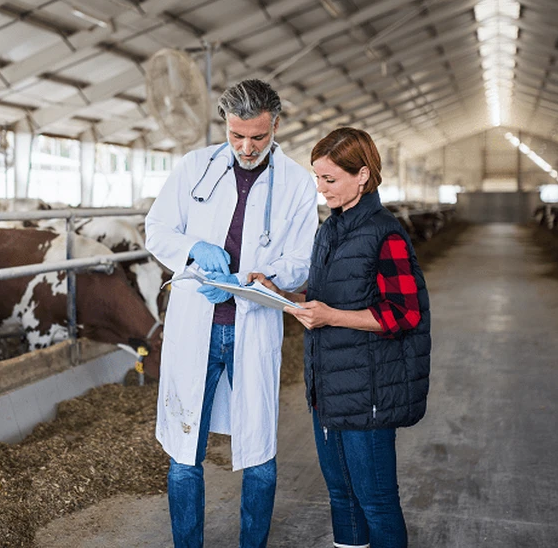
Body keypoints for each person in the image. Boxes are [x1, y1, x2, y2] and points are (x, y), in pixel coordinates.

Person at [145, 79, 318, 548]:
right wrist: (193, 249)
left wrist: (265, 277)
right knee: (185, 452)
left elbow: (303, 260)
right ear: (226, 124)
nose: (246, 147)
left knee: (259, 453)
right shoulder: (193, 167)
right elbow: (157, 230)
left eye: (258, 137)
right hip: (195, 326)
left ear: (276, 126)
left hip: (253, 325)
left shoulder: (298, 184)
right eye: (236, 135)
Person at [251, 127, 431, 548]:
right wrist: (281, 296)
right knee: (342, 498)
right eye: (317, 178)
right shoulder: (330, 230)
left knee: (377, 500)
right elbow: (324, 298)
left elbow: (405, 314)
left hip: (367, 389)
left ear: (363, 175)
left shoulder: (386, 234)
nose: (320, 188)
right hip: (328, 386)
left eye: (329, 179)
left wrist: (331, 316)